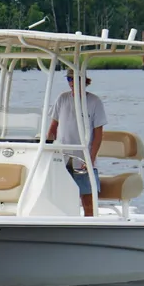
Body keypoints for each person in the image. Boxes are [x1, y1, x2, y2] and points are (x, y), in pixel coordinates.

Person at [46, 68, 108, 216]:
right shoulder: (62, 98)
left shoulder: (94, 102)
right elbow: (53, 129)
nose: (72, 82)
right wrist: (47, 152)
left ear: (84, 81)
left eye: (76, 79)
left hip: (83, 158)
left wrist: (90, 159)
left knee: (87, 199)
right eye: (69, 79)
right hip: (61, 158)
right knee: (58, 197)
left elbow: (98, 136)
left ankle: (91, 226)